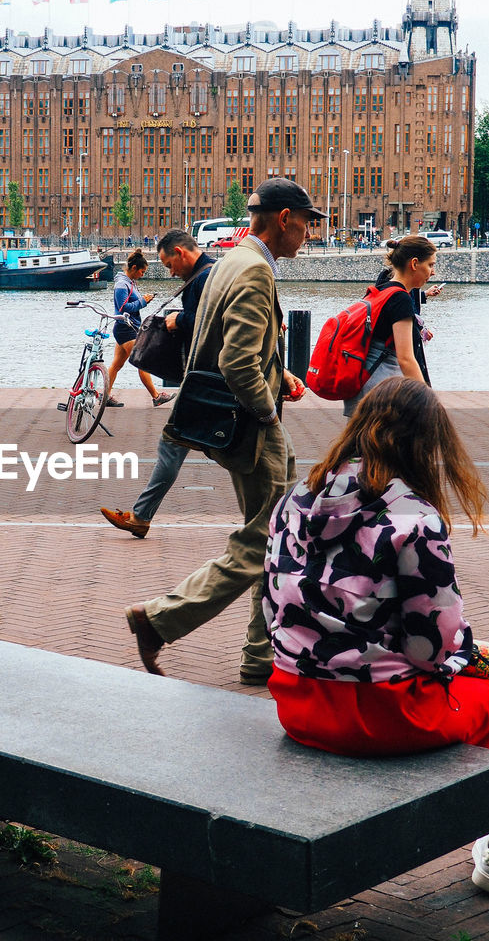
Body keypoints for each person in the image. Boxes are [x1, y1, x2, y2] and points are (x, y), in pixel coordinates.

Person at [264, 377, 489, 895]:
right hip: (375, 716)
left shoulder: (294, 501)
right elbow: (430, 647)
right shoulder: (414, 518)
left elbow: (272, 607)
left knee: (477, 687)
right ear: (425, 444)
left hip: (297, 704)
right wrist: (472, 652)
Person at [123, 177, 317, 685]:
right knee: (265, 541)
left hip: (228, 423)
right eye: (307, 222)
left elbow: (228, 348)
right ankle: (159, 619)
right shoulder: (254, 271)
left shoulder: (232, 260)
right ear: (284, 219)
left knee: (276, 536)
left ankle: (260, 658)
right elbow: (235, 360)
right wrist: (268, 412)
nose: (310, 233)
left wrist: (281, 373)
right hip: (253, 428)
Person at [99, 230, 214, 538]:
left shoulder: (203, 279)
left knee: (184, 446)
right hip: (206, 381)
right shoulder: (210, 273)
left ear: (181, 252)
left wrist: (180, 321)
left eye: (168, 264)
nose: (170, 272)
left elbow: (210, 322)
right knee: (178, 446)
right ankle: (140, 516)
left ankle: (141, 516)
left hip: (207, 381)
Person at [342, 235, 435, 419]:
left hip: (365, 385)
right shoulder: (400, 299)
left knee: (359, 446)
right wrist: (428, 402)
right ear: (414, 264)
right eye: (430, 265)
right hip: (382, 392)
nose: (433, 272)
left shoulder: (382, 290)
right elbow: (406, 358)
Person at [105, 249, 175, 408]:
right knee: (142, 362)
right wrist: (143, 302)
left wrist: (144, 300)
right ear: (134, 268)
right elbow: (122, 308)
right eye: (142, 271)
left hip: (126, 327)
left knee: (116, 365)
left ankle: (105, 396)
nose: (143, 275)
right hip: (125, 329)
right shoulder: (122, 284)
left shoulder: (129, 282)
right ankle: (156, 397)